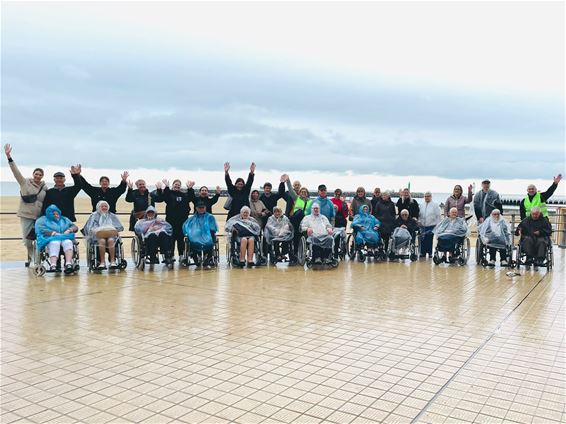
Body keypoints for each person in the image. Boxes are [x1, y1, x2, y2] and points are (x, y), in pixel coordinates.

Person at [4, 144, 47, 267]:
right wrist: (9, 157)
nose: (38, 176)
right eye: (36, 174)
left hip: (39, 217)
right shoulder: (24, 183)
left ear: (42, 176)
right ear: (33, 174)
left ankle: (36, 260)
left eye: (40, 174)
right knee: (28, 241)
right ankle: (31, 257)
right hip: (26, 216)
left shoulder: (44, 187)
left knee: (39, 239)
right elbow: (15, 172)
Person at [35, 205, 78, 273]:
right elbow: (41, 229)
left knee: (68, 242)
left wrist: (69, 230)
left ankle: (68, 263)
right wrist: (53, 233)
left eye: (57, 213)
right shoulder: (42, 220)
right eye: (53, 214)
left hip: (64, 237)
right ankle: (53, 265)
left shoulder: (64, 219)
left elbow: (74, 227)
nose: (56, 215)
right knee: (55, 243)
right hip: (51, 238)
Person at [82, 201, 124, 269]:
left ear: (108, 207)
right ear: (98, 207)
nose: (104, 207)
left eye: (106, 206)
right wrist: (96, 230)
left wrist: (112, 229)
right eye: (102, 206)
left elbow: (120, 227)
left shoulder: (112, 215)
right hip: (98, 235)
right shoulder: (94, 215)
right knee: (102, 241)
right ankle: (102, 262)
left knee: (110, 240)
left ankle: (113, 261)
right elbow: (90, 227)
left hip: (110, 235)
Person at [159, 179, 192, 260]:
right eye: (175, 185)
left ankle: (181, 255)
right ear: (173, 185)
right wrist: (166, 187)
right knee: (171, 239)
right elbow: (164, 197)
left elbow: (190, 198)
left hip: (181, 220)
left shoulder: (183, 195)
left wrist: (190, 189)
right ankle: (171, 255)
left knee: (181, 238)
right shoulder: (169, 193)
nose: (177, 186)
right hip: (171, 220)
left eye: (178, 185)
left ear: (180, 187)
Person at [182, 200, 218, 267]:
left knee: (212, 239)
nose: (201, 209)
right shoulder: (192, 219)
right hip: (195, 238)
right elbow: (186, 227)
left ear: (205, 208)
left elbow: (213, 228)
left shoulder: (210, 217)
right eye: (199, 208)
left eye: (202, 208)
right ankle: (195, 258)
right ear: (196, 208)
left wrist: (206, 231)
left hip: (208, 237)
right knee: (190, 239)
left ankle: (208, 258)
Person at [289, 187, 312, 264]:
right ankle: (295, 252)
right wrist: (287, 181)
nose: (303, 193)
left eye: (305, 192)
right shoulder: (297, 198)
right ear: (299, 193)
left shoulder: (310, 201)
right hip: (297, 220)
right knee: (296, 235)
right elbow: (291, 190)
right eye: (302, 192)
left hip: (306, 220)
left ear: (307, 193)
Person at [418, 192, 441, 258]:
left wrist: (438, 225)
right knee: (422, 239)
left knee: (429, 239)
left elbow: (438, 216)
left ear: (431, 197)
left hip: (432, 225)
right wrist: (419, 222)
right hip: (422, 225)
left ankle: (430, 253)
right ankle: (422, 253)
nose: (426, 197)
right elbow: (419, 215)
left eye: (428, 196)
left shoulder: (435, 205)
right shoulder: (421, 205)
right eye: (425, 196)